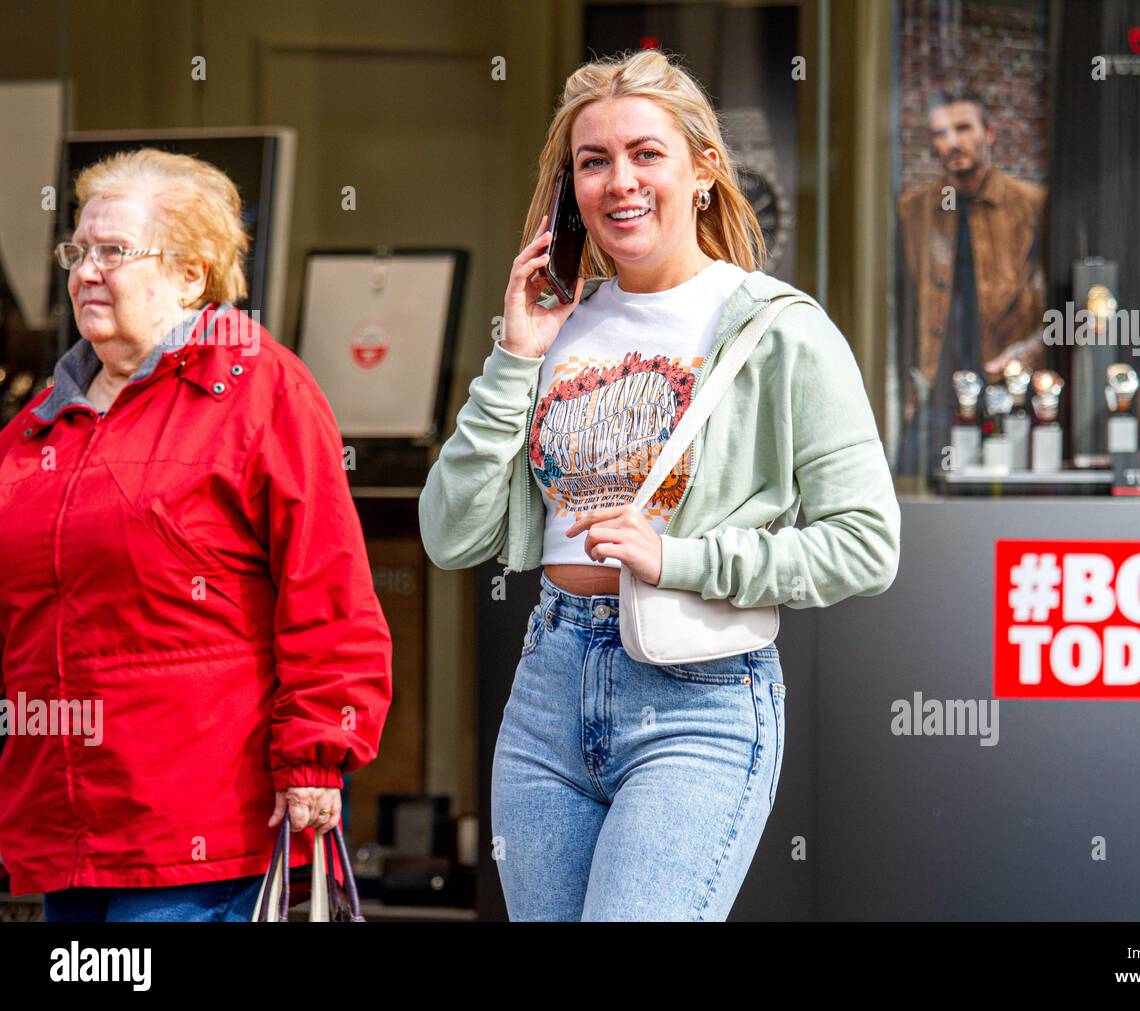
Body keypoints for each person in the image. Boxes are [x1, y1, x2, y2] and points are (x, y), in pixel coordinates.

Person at [420, 49, 900, 920]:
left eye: (647, 154)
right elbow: (451, 534)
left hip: (700, 695)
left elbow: (866, 544)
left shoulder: (779, 329)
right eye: (593, 161)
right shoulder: (553, 323)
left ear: (704, 171)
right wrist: (515, 353)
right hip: (549, 687)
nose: (620, 182)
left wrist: (677, 557)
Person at [0, 148, 392, 922]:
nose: (84, 271)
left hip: (200, 832)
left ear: (190, 275)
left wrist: (318, 753)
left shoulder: (261, 389)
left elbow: (330, 587)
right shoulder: (36, 423)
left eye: (112, 251)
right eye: (77, 250)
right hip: (67, 832)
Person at [895, 86, 1047, 477]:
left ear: (988, 133)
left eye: (963, 128)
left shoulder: (1031, 205)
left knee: (1015, 491)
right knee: (910, 485)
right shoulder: (913, 211)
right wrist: (906, 385)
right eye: (940, 134)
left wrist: (1030, 353)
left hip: (1010, 382)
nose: (952, 142)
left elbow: (1060, 301)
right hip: (938, 385)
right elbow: (896, 301)